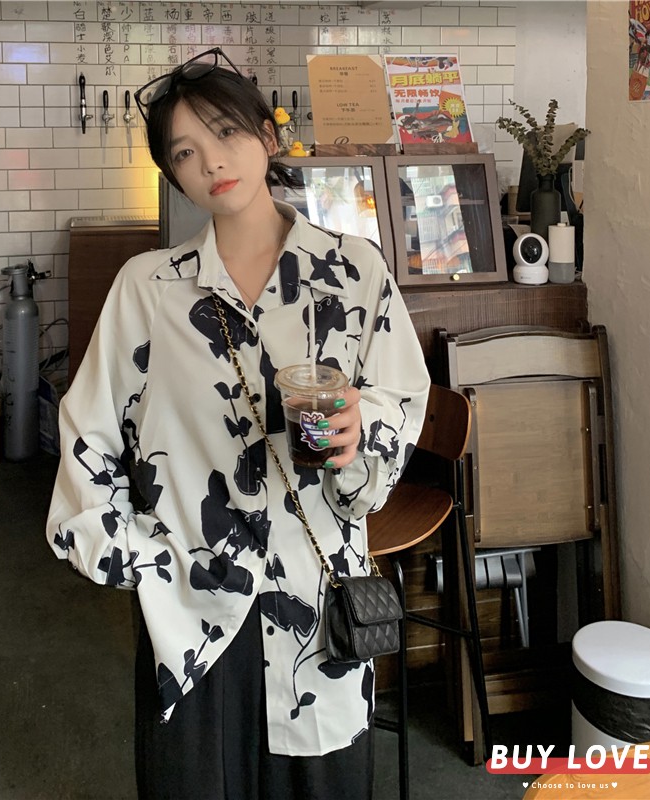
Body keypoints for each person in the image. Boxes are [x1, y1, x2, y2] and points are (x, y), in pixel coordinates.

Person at [46, 48, 430, 800]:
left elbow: (399, 401)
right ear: (173, 174)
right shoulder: (149, 290)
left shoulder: (353, 273)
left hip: (316, 607)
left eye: (225, 132)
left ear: (266, 134)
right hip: (193, 616)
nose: (211, 162)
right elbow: (87, 437)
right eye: (185, 152)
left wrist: (360, 439)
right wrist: (145, 563)